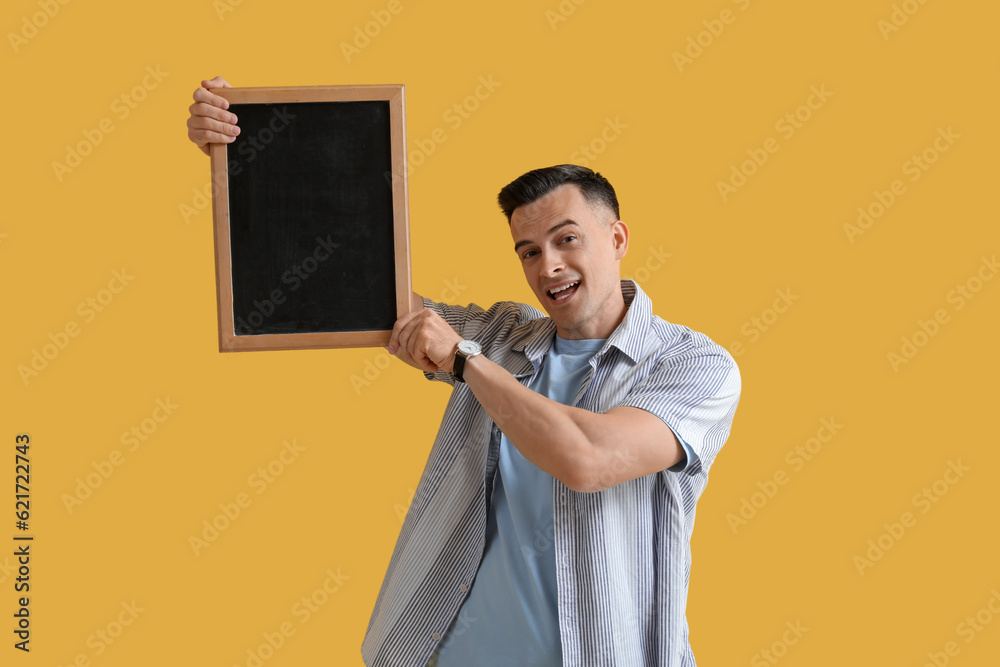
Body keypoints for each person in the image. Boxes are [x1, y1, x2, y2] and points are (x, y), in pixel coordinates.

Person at [187, 77, 742, 667]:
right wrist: (246, 161)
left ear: (617, 237)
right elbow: (351, 286)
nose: (548, 265)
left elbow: (589, 459)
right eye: (528, 251)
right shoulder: (505, 335)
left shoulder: (692, 365)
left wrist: (463, 359)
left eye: (567, 239)